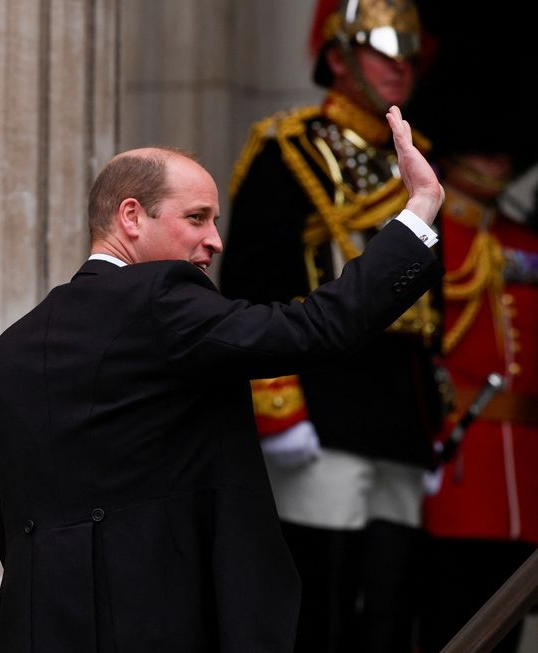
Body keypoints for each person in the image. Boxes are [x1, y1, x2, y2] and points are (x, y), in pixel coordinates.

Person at [0, 105, 442, 653]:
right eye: (197, 218)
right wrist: (418, 212)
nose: (215, 241)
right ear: (131, 216)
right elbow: (316, 327)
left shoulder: (8, 349)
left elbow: (7, 517)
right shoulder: (160, 300)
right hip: (156, 624)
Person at [218, 1, 441, 650]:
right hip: (322, 401)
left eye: (408, 50)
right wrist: (278, 406)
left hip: (400, 414)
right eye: (380, 48)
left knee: (392, 606)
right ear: (338, 58)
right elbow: (253, 290)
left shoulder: (419, 159)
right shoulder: (285, 148)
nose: (399, 64)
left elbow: (433, 311)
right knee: (323, 601)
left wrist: (433, 412)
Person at [417, 149, 538, 653]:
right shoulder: (435, 236)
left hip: (524, 471)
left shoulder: (521, 241)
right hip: (458, 461)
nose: (495, 162)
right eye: (482, 151)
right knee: (450, 617)